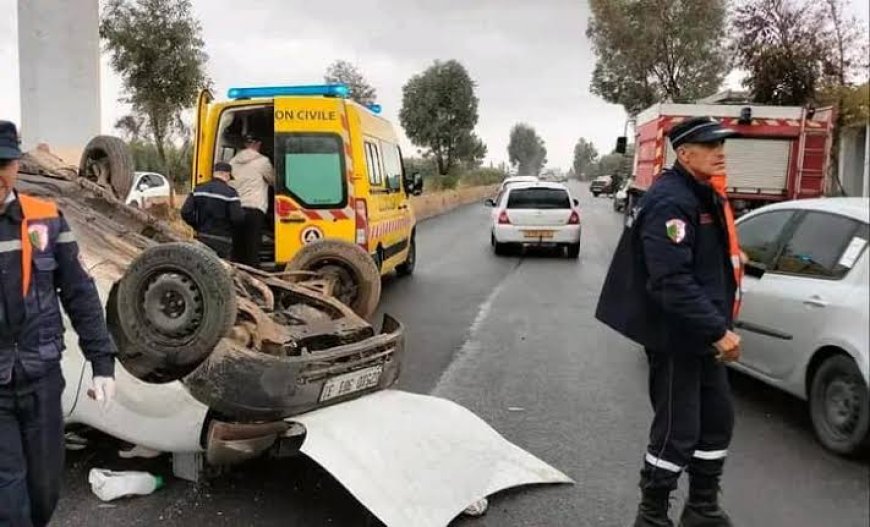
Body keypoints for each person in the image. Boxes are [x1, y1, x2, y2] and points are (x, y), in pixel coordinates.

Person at [595, 116, 744, 527]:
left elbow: (703, 258)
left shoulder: (702, 193)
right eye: (711, 146)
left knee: (716, 424)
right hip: (678, 337)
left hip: (704, 334)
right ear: (684, 152)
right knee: (678, 432)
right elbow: (670, 282)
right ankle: (652, 515)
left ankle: (701, 508)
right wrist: (718, 331)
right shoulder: (671, 200)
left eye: (721, 145)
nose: (720, 153)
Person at [0, 121, 116, 526]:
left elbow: (80, 292)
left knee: (45, 490)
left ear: (16, 164)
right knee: (8, 499)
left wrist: (102, 362)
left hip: (42, 378)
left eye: (4, 163)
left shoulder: (46, 219)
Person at [181, 162, 243, 259]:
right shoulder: (231, 193)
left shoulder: (198, 189)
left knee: (202, 264)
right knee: (220, 268)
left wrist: (197, 225)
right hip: (222, 239)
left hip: (202, 236)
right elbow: (237, 218)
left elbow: (185, 212)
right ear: (226, 175)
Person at [229, 134, 275, 267]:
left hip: (236, 208)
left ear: (245, 144)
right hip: (255, 208)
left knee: (237, 248)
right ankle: (254, 278)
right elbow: (273, 181)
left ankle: (236, 277)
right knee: (252, 247)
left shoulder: (232, 162)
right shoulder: (263, 161)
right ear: (258, 144)